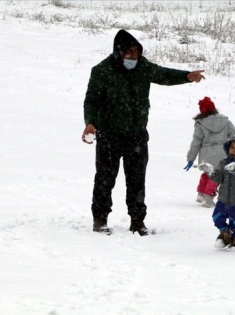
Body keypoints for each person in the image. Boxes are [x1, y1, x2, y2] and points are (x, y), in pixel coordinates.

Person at [82, 29, 205, 236]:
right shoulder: (102, 71)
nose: (133, 56)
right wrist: (90, 123)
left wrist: (186, 76)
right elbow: (91, 100)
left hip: (137, 135)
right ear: (118, 52)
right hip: (109, 135)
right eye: (129, 52)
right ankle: (100, 219)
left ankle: (137, 221)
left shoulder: (143, 67)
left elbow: (164, 74)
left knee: (137, 180)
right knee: (105, 178)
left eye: (136, 52)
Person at [198, 133, 235, 251]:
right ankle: (225, 234)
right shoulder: (224, 163)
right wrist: (210, 172)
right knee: (216, 217)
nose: (234, 150)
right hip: (223, 199)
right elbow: (219, 178)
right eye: (232, 147)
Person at [183, 97, 235, 208]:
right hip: (222, 153)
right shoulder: (225, 121)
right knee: (216, 176)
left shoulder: (200, 124)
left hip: (206, 154)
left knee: (207, 173)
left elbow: (196, 143)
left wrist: (190, 159)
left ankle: (201, 194)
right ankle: (208, 199)